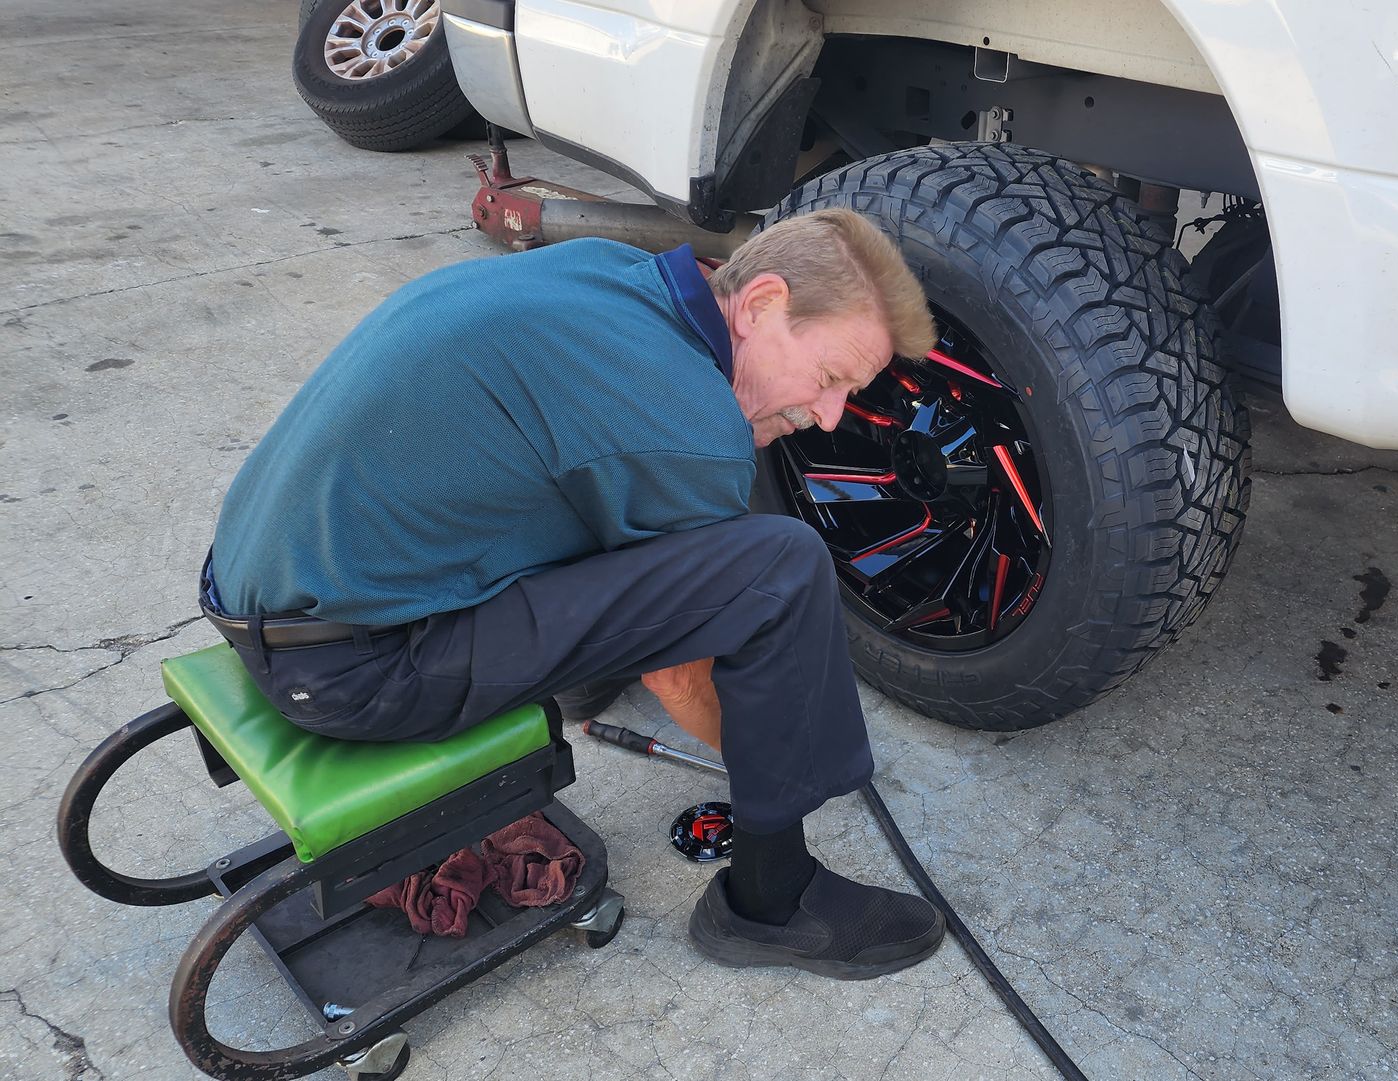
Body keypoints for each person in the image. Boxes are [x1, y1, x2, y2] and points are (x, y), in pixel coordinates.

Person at [199, 209, 947, 979]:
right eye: (830, 379)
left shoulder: (607, 269)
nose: (827, 416)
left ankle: (585, 684)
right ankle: (771, 903)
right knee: (780, 567)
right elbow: (680, 676)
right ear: (759, 304)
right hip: (355, 671)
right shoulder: (686, 420)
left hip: (258, 586)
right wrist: (779, 752)